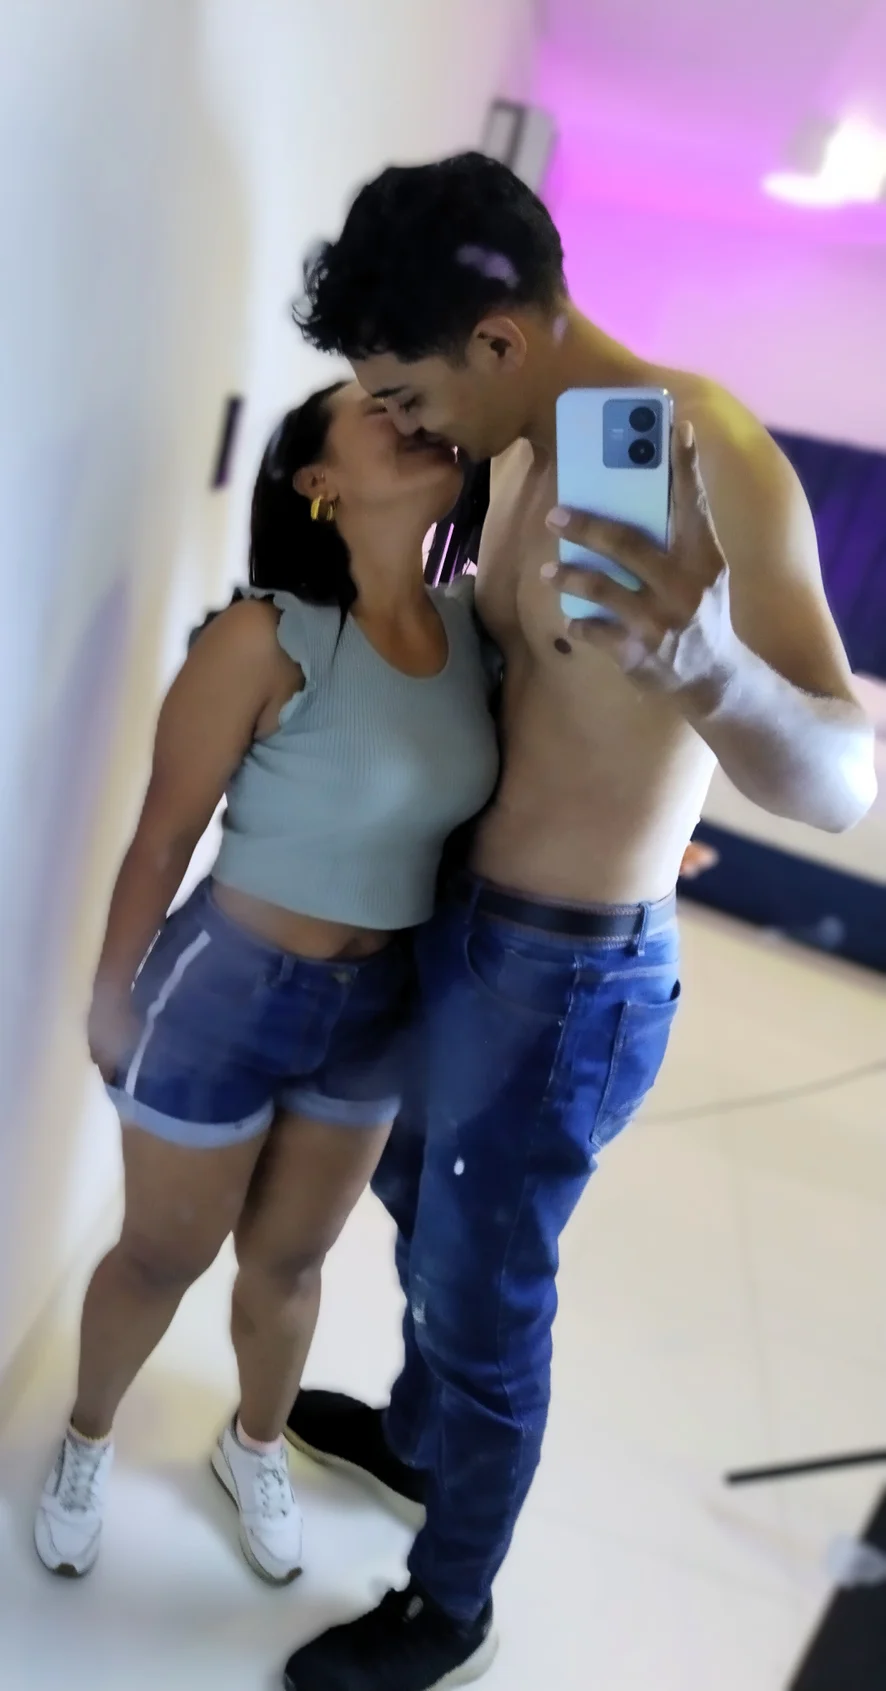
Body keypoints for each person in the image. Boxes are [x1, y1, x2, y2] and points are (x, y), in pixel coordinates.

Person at [280, 155, 876, 1691]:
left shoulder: (706, 449)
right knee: (414, 1199)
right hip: (457, 923)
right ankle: (419, 1441)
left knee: (488, 1293)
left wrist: (707, 669)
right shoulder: (523, 455)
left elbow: (842, 782)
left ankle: (451, 1605)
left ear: (496, 340)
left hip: (566, 974)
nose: (404, 424)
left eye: (410, 393)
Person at [34, 380, 499, 1586]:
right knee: (162, 1253)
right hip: (225, 991)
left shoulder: (474, 636)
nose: (414, 415)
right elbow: (161, 838)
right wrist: (110, 995)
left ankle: (253, 1445)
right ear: (318, 482)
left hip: (377, 1006)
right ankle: (86, 1436)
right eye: (378, 411)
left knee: (290, 1262)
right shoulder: (264, 635)